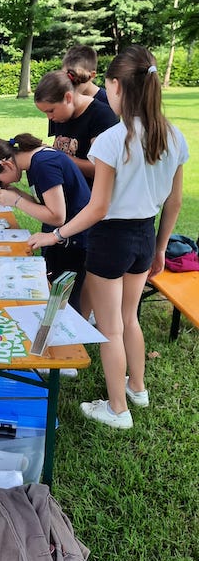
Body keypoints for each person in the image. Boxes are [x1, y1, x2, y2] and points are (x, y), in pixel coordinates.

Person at [28, 46, 188, 430]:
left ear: (115, 86)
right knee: (129, 318)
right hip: (144, 235)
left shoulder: (111, 140)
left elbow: (98, 208)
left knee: (110, 327)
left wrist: (56, 235)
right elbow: (175, 202)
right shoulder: (174, 135)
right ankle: (137, 387)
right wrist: (160, 248)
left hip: (111, 239)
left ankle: (117, 408)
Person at [0, 134, 91, 314]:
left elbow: (57, 216)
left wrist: (17, 201)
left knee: (65, 304)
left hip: (75, 241)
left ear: (7, 165)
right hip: (65, 238)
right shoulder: (34, 161)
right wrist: (18, 194)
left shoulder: (43, 165)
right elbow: (45, 205)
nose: (0, 185)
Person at [34, 70, 119, 185]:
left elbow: (102, 169)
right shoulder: (61, 116)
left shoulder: (102, 116)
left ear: (68, 97)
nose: (49, 117)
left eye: (51, 111)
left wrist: (59, 157)